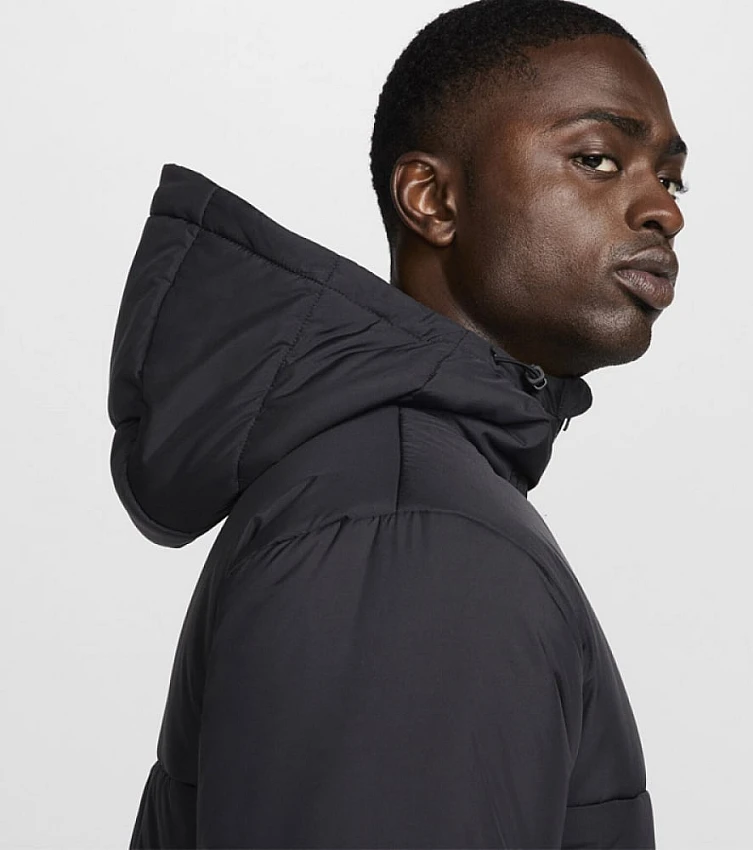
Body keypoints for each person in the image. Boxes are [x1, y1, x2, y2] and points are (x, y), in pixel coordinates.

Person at [108, 0, 687, 847]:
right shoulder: (412, 530)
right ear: (432, 199)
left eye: (671, 178)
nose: (664, 211)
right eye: (598, 159)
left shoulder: (403, 488)